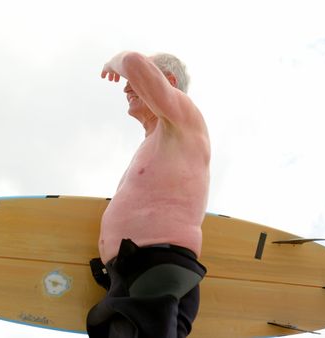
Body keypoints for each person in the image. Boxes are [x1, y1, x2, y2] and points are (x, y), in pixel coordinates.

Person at [86, 51, 210, 338]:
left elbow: (132, 60)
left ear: (167, 82)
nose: (127, 88)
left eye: (132, 83)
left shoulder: (183, 118)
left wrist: (114, 63)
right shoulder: (157, 140)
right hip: (137, 272)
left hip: (153, 265)